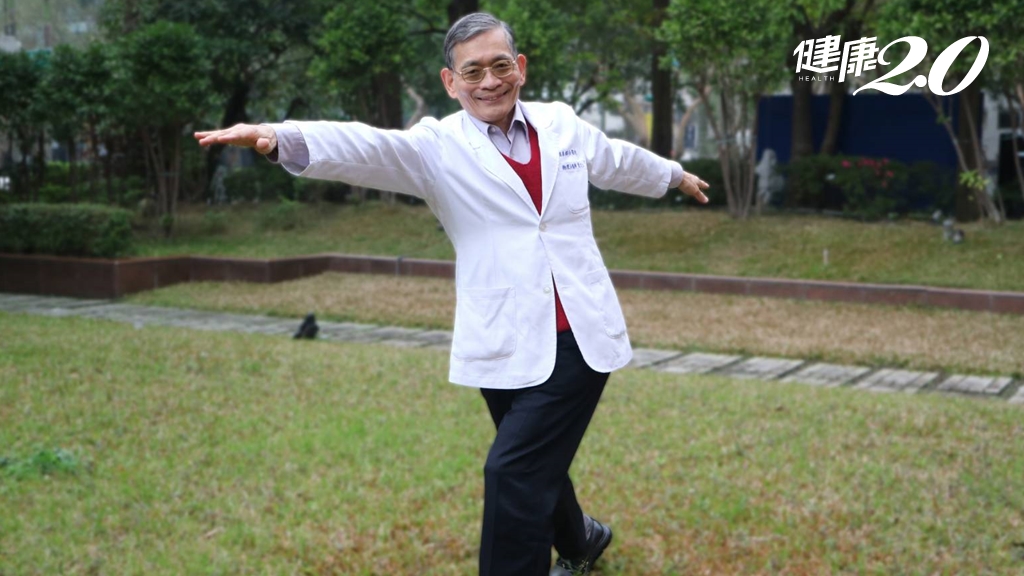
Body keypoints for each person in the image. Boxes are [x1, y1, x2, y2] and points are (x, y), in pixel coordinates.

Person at [195, 12, 709, 576]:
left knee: (512, 470)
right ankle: (581, 538)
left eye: (500, 66)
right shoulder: (437, 146)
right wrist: (280, 138)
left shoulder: (560, 123)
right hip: (502, 335)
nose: (489, 82)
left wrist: (673, 175)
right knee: (531, 455)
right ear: (450, 82)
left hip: (578, 334)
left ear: (520, 68)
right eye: (472, 71)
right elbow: (368, 147)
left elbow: (615, 159)